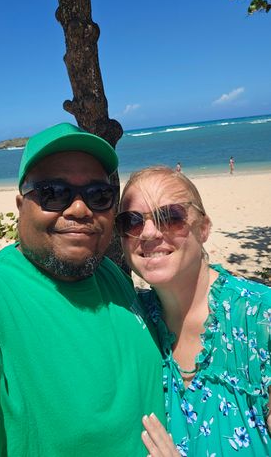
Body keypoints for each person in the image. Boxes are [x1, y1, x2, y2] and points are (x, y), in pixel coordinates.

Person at [0, 123, 165, 457]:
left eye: (99, 196)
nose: (80, 210)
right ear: (20, 204)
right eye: (54, 193)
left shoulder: (108, 273)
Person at [115, 165, 271, 456]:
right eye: (132, 222)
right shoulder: (136, 321)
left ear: (203, 228)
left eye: (171, 217)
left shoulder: (259, 318)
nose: (148, 233)